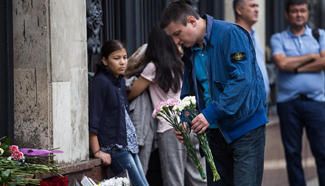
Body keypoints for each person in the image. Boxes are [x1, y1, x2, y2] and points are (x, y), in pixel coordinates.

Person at [160, 1, 268, 186]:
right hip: (214, 133)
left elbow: (242, 81)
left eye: (177, 34)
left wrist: (209, 114)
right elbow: (189, 91)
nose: (176, 41)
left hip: (245, 129)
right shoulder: (190, 49)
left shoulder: (230, 34)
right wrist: (185, 120)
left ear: (192, 21)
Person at [128, 26, 207, 186]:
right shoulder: (181, 63)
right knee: (198, 178)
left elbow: (132, 93)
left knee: (174, 180)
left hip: (170, 129)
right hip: (192, 123)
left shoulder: (154, 67)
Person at [270, 0, 325, 185]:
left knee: (322, 151)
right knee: (292, 153)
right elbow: (281, 63)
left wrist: (295, 68)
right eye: (294, 11)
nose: (299, 14)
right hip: (288, 104)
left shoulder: (320, 35)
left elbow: (324, 62)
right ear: (287, 14)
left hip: (316, 103)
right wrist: (311, 57)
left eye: (302, 11)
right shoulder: (278, 38)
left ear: (308, 14)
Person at [88, 40, 149, 186]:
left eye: (124, 57)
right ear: (104, 61)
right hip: (113, 147)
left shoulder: (120, 81)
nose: (122, 62)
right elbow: (93, 118)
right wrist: (97, 151)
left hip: (127, 144)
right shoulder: (100, 82)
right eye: (116, 58)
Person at [233, 0, 270, 97]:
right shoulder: (234, 36)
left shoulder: (254, 35)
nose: (257, 10)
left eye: (257, 6)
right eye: (252, 6)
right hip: (248, 100)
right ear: (239, 10)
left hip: (262, 100)